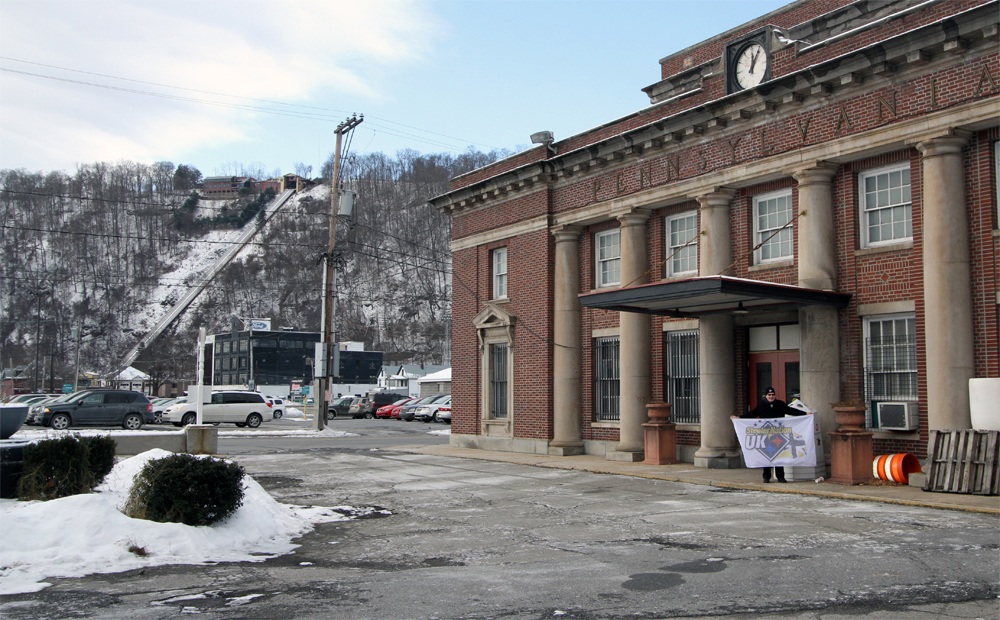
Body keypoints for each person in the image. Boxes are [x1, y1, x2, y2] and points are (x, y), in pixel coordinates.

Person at [732, 387, 793, 483]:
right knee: (767, 456)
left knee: (779, 456)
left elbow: (791, 411)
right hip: (766, 436)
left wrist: (806, 413)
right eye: (769, 395)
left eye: (773, 394)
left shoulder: (780, 404)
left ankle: (780, 477)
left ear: (775, 395)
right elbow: (752, 414)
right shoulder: (761, 405)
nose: (771, 396)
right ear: (766, 396)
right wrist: (738, 417)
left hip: (778, 435)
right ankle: (766, 477)